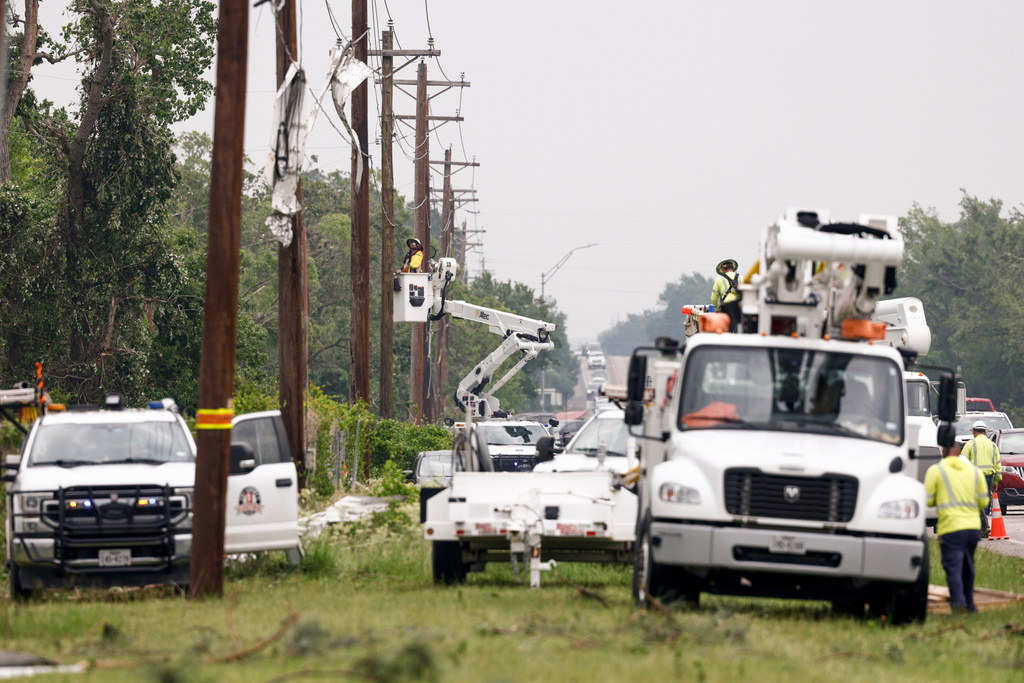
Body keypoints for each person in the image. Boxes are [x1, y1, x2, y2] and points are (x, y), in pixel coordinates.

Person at [924, 444, 989, 612]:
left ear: (943, 452)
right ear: (960, 451)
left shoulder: (936, 470)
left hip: (951, 528)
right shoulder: (974, 471)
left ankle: (958, 604)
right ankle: (970, 605)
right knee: (968, 565)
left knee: (953, 566)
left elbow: (929, 500)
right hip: (973, 528)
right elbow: (983, 502)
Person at [960, 420, 1002, 537]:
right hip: (989, 476)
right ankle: (983, 527)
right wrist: (996, 480)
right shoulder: (992, 445)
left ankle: (982, 527)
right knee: (983, 500)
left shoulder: (970, 444)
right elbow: (997, 464)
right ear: (985, 432)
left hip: (974, 476)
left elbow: (962, 461)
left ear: (974, 431)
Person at [711, 259, 741, 331]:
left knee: (726, 335)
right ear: (732, 268)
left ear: (723, 269)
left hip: (726, 309)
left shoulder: (719, 279)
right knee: (739, 335)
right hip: (739, 309)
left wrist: (717, 309)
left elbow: (714, 298)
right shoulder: (741, 278)